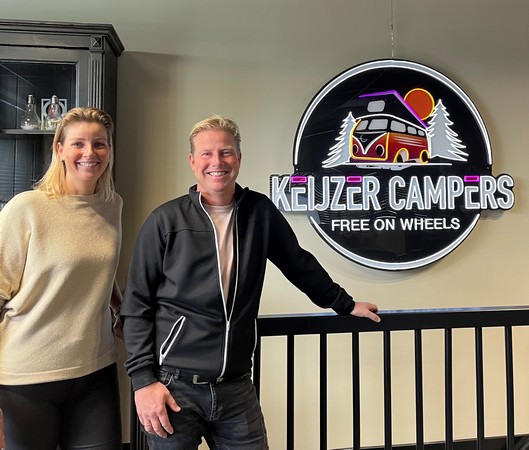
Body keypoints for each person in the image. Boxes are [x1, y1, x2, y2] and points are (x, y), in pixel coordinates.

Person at [121, 114, 381, 449]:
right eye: (206, 154)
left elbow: (299, 264)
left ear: (239, 159)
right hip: (174, 385)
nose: (217, 162)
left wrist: (345, 304)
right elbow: (136, 303)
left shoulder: (260, 212)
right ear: (192, 161)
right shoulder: (165, 220)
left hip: (236, 386)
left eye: (226, 152)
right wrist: (143, 381)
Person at [0, 107, 123, 450]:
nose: (90, 153)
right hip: (27, 376)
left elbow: (98, 269)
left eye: (99, 144)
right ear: (60, 149)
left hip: (95, 370)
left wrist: (122, 310)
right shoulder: (27, 208)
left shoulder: (112, 205)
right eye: (78, 144)